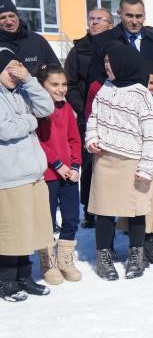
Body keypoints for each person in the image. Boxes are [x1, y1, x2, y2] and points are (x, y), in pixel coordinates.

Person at [86, 44, 153, 281]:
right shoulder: (105, 88)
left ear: (123, 62)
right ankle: (104, 255)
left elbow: (151, 134)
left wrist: (146, 168)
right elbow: (93, 118)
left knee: (135, 210)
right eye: (105, 61)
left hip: (133, 162)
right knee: (104, 212)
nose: (106, 65)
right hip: (105, 160)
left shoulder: (142, 94)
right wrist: (92, 139)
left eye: (110, 61)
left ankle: (136, 254)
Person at [0, 50, 55, 301]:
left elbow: (46, 107)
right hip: (10, 176)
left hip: (33, 173)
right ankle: (6, 282)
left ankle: (25, 277)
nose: (14, 73)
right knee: (12, 232)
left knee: (30, 229)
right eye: (9, 68)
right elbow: (5, 129)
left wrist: (29, 80)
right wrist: (30, 121)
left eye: (18, 67)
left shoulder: (22, 91)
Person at [116, 63, 153, 269]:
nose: (149, 87)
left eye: (152, 83)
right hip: (133, 152)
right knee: (136, 200)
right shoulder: (129, 102)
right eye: (145, 83)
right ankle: (137, 248)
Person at [65, 8, 114, 227]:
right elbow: (71, 84)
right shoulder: (78, 50)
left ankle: (114, 209)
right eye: (91, 19)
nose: (93, 23)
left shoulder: (116, 47)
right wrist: (84, 108)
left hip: (115, 115)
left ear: (111, 25)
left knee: (113, 162)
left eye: (99, 19)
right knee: (89, 163)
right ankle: (89, 209)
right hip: (87, 114)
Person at [35, 65, 83, 285]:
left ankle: (65, 259)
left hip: (68, 174)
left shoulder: (66, 107)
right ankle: (48, 262)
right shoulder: (36, 109)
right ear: (42, 85)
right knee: (47, 220)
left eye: (64, 84)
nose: (61, 89)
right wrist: (57, 164)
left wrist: (75, 166)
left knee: (72, 217)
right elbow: (38, 142)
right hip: (47, 174)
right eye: (54, 84)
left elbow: (74, 138)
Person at [89, 0, 153, 85]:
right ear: (119, 14)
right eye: (129, 16)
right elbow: (96, 77)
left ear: (144, 16)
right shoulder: (102, 41)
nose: (134, 22)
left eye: (138, 16)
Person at [0, 0, 59, 76]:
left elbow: (56, 72)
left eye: (11, 16)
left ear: (17, 16)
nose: (9, 22)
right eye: (2, 18)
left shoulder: (37, 41)